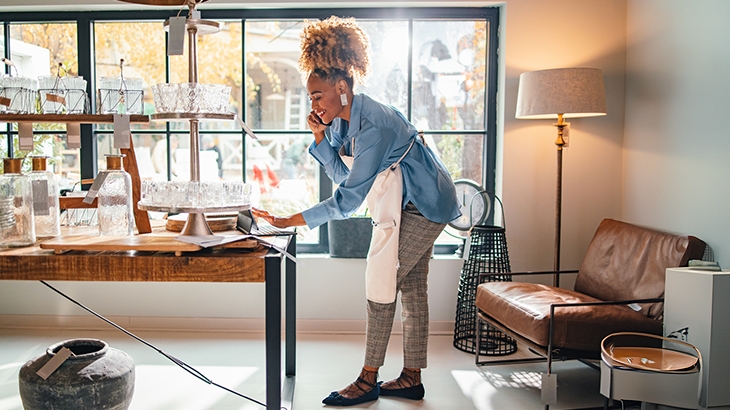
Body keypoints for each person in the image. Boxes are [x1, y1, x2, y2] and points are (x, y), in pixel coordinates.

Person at [252, 15, 460, 407]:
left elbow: (349, 200)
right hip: (400, 200)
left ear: (342, 87)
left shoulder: (374, 125)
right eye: (310, 96)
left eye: (317, 95)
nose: (312, 103)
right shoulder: (336, 123)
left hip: (425, 201)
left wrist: (290, 220)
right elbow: (339, 175)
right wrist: (319, 138)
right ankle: (412, 377)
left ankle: (368, 378)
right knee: (412, 286)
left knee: (382, 280)